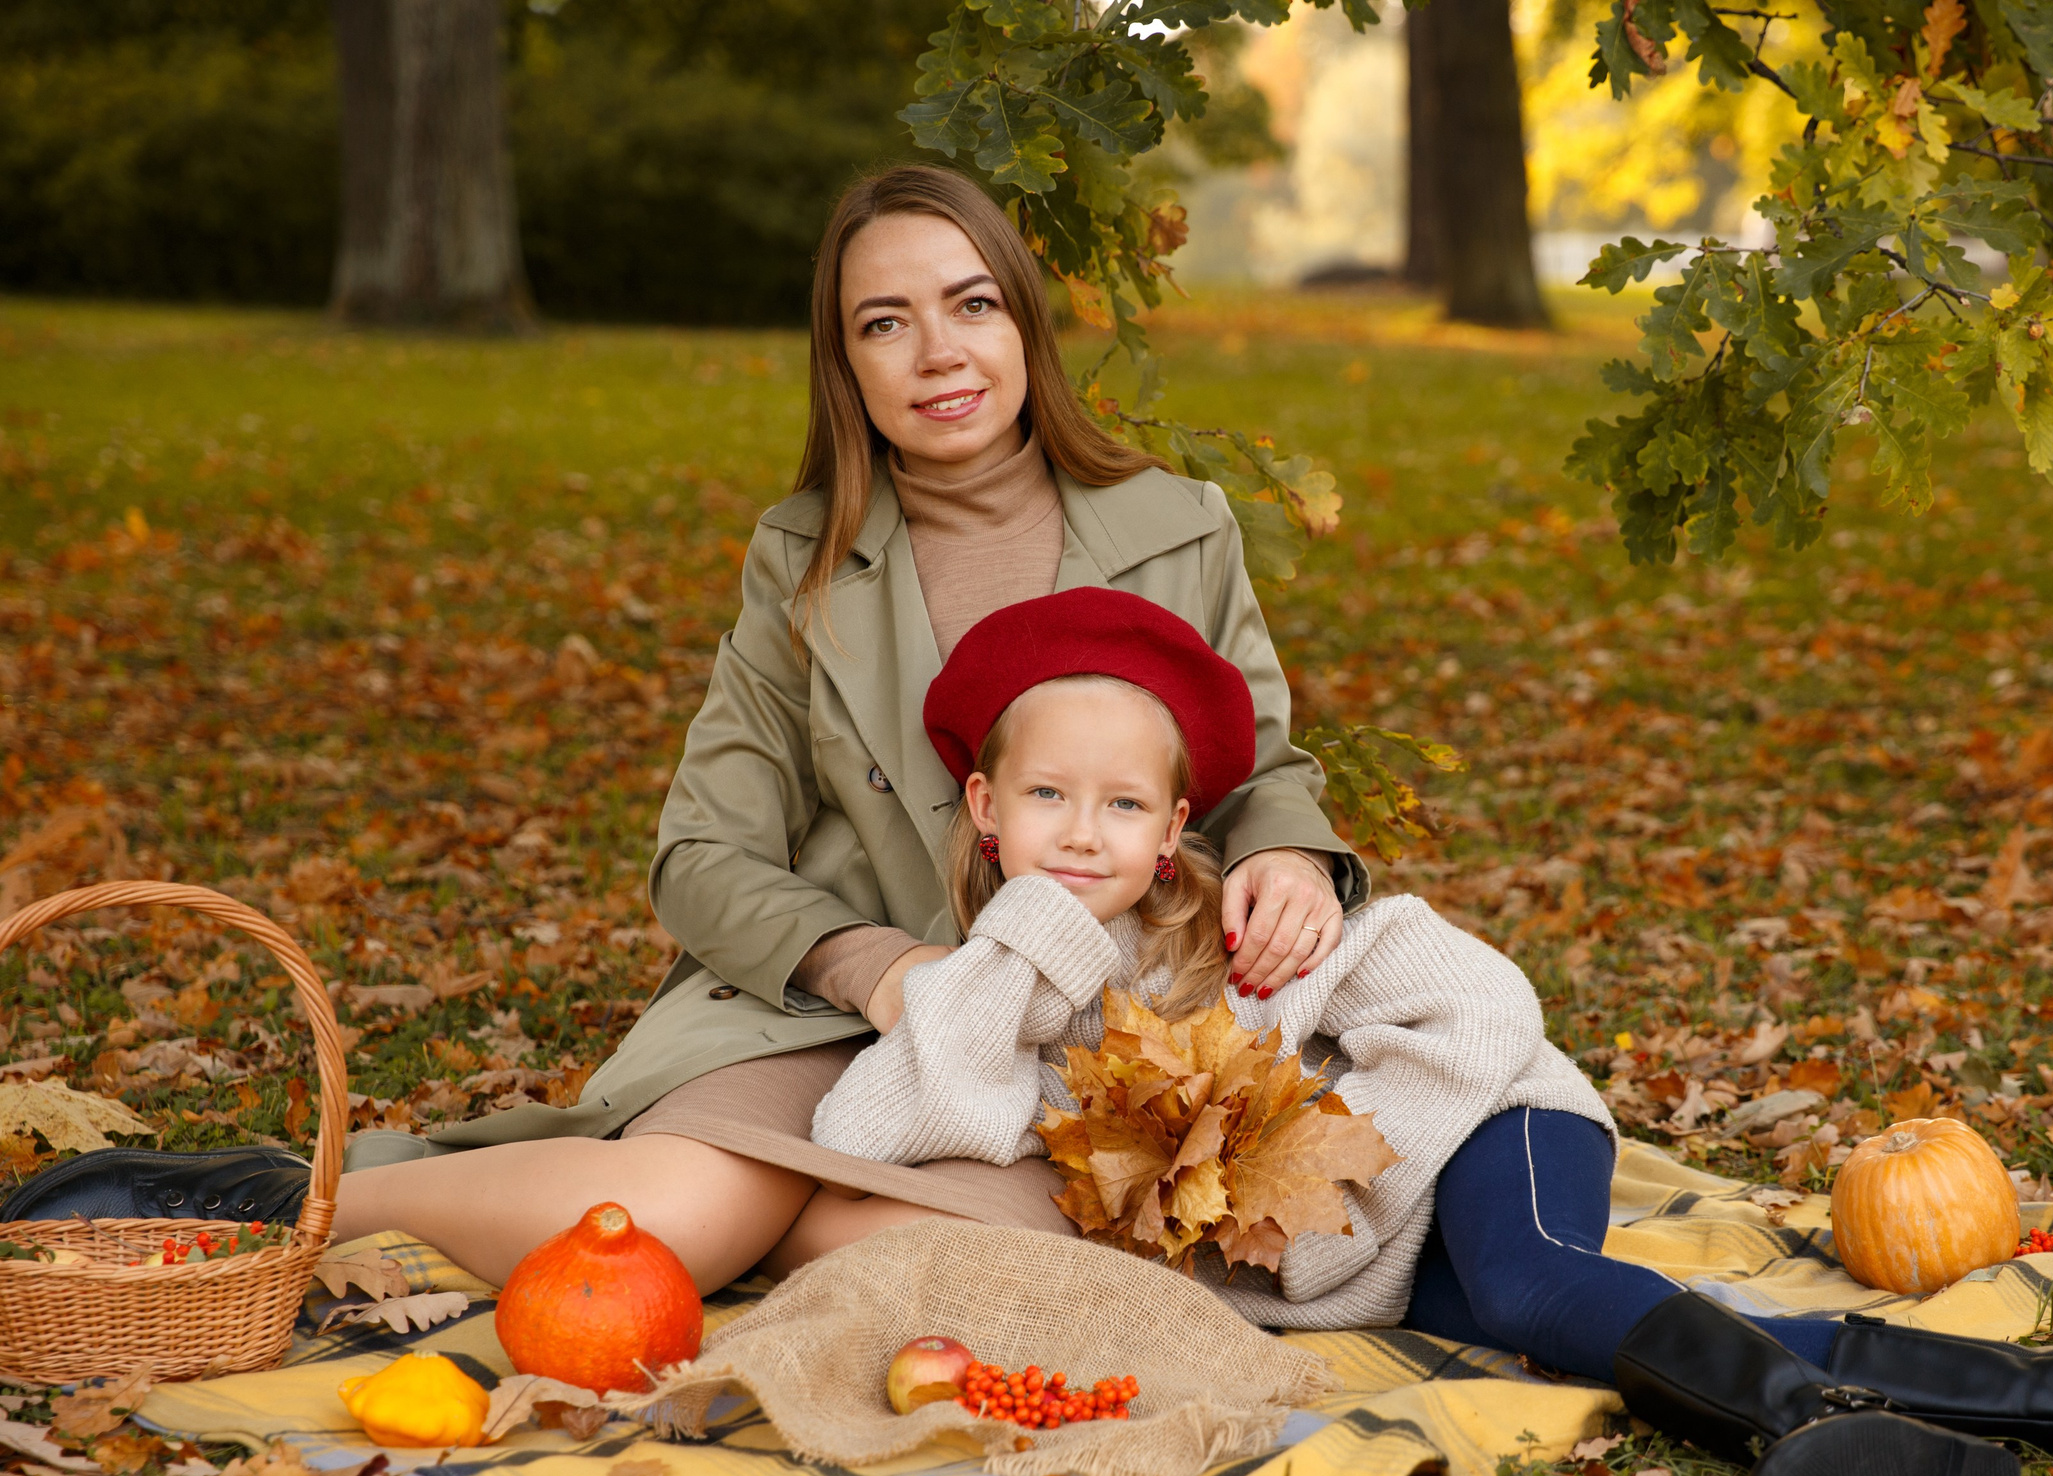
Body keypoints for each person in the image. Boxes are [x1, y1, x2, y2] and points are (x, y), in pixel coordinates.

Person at [3, 163, 1359, 1293]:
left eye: (972, 306)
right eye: (886, 322)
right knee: (658, 1233)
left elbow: (1266, 766)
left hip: (1071, 1045)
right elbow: (701, 855)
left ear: (1025, 327)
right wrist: (875, 970)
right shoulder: (807, 563)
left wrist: (1289, 857)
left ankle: (772, 1218)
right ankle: (271, 1211)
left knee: (1080, 1267)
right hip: (828, 1020)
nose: (939, 353)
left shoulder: (1179, 529)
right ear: (847, 362)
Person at [788, 585, 2053, 1476]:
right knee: (1578, 1319)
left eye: (1121, 804)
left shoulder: (1258, 941)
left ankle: (1812, 1436)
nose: (1085, 832)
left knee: (1543, 1282)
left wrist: (1324, 1156)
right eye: (1047, 798)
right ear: (985, 807)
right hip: (1383, 1263)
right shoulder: (1004, 989)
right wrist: (1029, 934)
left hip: (1499, 1134)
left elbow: (1486, 1009)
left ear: (1177, 830)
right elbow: (889, 1119)